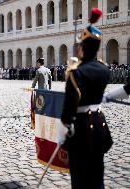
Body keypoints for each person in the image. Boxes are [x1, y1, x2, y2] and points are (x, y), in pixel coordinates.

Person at [61, 8, 113, 189]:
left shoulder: (76, 72)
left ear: (82, 47)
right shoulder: (104, 69)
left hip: (81, 127)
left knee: (80, 176)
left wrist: (64, 128)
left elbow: (68, 111)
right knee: (98, 174)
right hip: (99, 123)